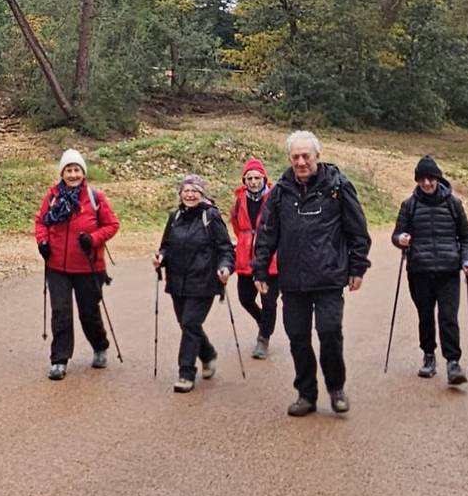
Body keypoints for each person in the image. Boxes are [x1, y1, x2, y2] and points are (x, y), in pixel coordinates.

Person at [253, 131, 371, 417]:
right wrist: (260, 270)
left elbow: (357, 230)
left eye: (306, 156)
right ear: (290, 159)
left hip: (329, 275)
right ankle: (306, 394)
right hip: (292, 279)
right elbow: (267, 233)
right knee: (297, 336)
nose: (301, 161)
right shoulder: (280, 191)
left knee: (329, 332)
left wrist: (358, 267)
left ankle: (336, 388)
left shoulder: (338, 187)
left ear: (318, 156)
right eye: (296, 156)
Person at [34, 148, 120, 381]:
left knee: (88, 312)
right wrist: (42, 241)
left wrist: (93, 239)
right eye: (68, 170)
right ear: (62, 173)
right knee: (60, 312)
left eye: (76, 170)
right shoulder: (52, 196)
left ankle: (100, 346)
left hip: (88, 266)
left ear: (83, 172)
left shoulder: (95, 197)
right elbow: (41, 222)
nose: (73, 174)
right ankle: (59, 360)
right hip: (57, 266)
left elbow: (112, 225)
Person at [391, 155, 468, 386]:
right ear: (417, 181)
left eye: (430, 179)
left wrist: (467, 260)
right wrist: (402, 239)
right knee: (425, 317)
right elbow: (396, 235)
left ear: (438, 178)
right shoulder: (409, 205)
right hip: (419, 270)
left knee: (448, 317)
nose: (426, 183)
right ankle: (429, 356)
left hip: (449, 270)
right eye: (422, 179)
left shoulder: (453, 204)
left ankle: (453, 363)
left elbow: (466, 237)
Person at [153, 175, 234, 392]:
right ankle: (208, 354)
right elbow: (166, 246)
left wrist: (225, 267)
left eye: (194, 191)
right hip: (178, 281)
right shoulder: (175, 216)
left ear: (202, 193)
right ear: (180, 194)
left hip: (204, 282)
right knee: (188, 324)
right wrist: (160, 257)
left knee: (189, 323)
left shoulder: (211, 217)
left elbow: (226, 248)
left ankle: (186, 373)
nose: (190, 194)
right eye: (186, 191)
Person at [229, 158, 279, 360]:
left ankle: (263, 339)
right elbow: (236, 224)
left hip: (271, 259)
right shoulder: (239, 199)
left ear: (264, 178)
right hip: (245, 258)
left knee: (269, 301)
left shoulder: (275, 198)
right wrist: (244, 242)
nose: (253, 182)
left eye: (257, 177)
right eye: (249, 178)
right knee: (245, 298)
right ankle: (264, 323)